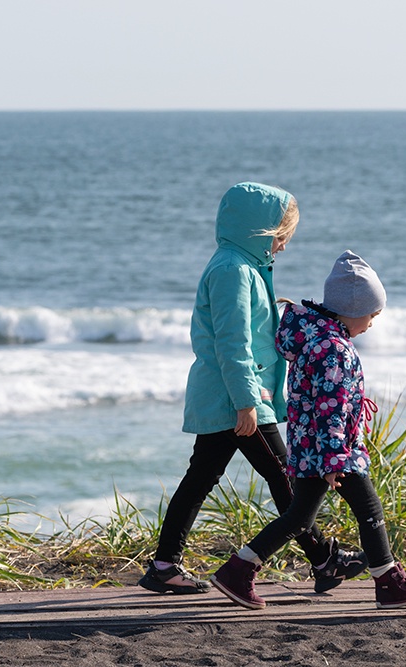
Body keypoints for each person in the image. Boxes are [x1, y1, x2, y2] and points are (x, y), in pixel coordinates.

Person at [138, 183, 368, 596]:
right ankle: (320, 559)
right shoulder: (232, 271)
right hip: (239, 397)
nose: (283, 247)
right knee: (285, 474)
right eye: (281, 237)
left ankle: (164, 564)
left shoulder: (242, 265)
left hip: (234, 393)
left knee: (203, 476)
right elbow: (232, 341)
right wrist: (246, 400)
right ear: (259, 231)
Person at [209, 251, 406, 610]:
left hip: (310, 446)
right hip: (331, 450)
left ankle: (238, 569)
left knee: (299, 517)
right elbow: (330, 408)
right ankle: (388, 581)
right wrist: (333, 459)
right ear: (353, 310)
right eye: (372, 315)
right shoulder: (334, 350)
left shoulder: (314, 339)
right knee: (368, 507)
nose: (372, 324)